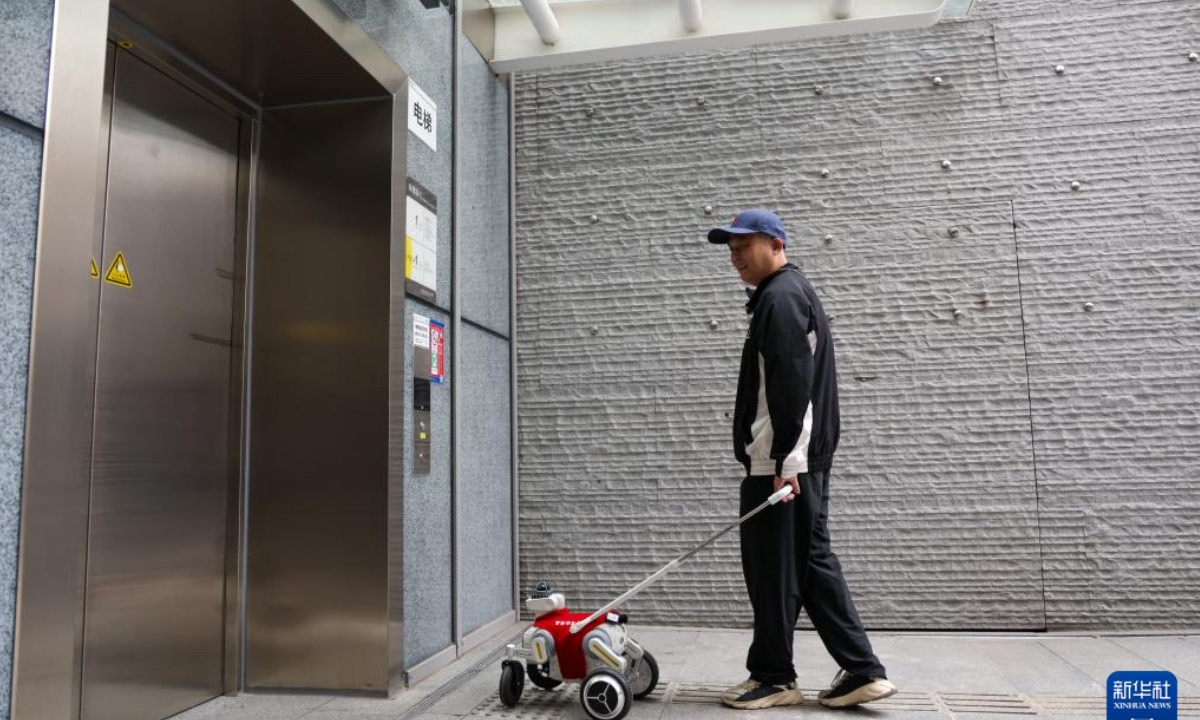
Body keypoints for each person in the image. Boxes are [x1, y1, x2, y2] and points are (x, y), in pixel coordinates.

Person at [707, 209, 897, 710]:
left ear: (775, 243)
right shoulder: (784, 296)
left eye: (743, 247)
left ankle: (773, 676)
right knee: (809, 564)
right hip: (793, 461)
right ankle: (861, 670)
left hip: (782, 464)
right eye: (730, 250)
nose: (736, 258)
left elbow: (795, 390)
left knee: (773, 568)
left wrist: (787, 466)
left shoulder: (783, 298)